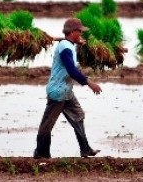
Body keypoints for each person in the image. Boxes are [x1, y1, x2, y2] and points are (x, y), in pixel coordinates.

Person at [33, 18, 102, 159]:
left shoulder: (68, 45)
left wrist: (78, 44)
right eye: (79, 32)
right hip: (58, 92)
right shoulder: (65, 48)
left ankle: (86, 149)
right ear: (72, 32)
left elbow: (71, 59)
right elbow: (71, 70)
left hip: (66, 91)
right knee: (47, 126)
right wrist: (89, 83)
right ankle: (41, 154)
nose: (81, 34)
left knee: (78, 116)